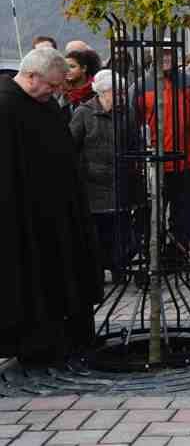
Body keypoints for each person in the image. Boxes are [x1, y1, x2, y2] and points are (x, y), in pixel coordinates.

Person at [0, 48, 103, 371]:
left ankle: (66, 337)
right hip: (24, 218)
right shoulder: (5, 107)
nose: (57, 92)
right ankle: (35, 345)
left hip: (58, 212)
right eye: (53, 86)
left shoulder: (43, 105)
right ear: (31, 77)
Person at [70, 69, 140, 283]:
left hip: (120, 180)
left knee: (120, 229)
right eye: (114, 92)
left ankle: (120, 269)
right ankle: (96, 273)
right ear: (102, 92)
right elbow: (72, 144)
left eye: (121, 91)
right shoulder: (84, 113)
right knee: (97, 230)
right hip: (93, 183)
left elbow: (134, 141)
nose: (120, 95)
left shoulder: (126, 112)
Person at [137, 49, 190, 257]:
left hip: (185, 159)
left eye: (168, 55)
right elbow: (135, 122)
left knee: (182, 214)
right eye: (160, 55)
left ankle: (179, 255)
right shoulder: (140, 86)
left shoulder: (189, 83)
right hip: (154, 163)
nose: (165, 59)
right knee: (152, 213)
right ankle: (153, 255)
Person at [64, 48, 102, 116]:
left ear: (84, 68)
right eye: (65, 67)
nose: (67, 70)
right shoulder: (61, 92)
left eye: (72, 67)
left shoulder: (96, 92)